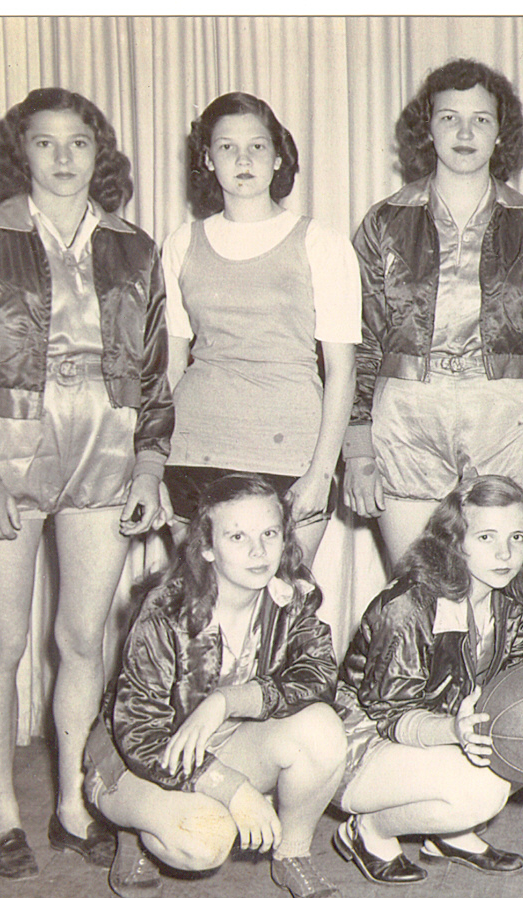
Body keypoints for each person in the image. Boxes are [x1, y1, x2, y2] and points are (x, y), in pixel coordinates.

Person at [0, 87, 172, 880]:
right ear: (20, 153)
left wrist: (149, 462)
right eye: (44, 142)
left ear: (100, 153)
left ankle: (71, 803)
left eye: (78, 142)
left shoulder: (134, 247)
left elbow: (156, 370)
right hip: (9, 452)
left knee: (82, 639)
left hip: (104, 449)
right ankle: (1, 813)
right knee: (2, 639)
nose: (63, 158)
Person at [344, 59, 523, 563]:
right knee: (417, 585)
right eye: (449, 118)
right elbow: (360, 342)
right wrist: (358, 448)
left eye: (481, 119)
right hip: (407, 416)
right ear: (427, 129)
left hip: (503, 417)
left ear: (501, 132)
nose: (465, 133)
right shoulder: (384, 222)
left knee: (498, 584)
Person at [85, 473, 346, 898]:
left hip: (220, 744)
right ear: (206, 547)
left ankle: (293, 853)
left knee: (323, 729)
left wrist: (228, 700)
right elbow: (140, 734)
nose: (258, 551)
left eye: (269, 534)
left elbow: (319, 675)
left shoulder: (290, 597)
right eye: (237, 536)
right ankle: (135, 828)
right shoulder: (167, 611)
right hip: (136, 761)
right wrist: (231, 788)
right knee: (206, 840)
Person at [330, 475, 523, 883]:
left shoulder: (506, 598)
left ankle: (451, 835)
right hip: (360, 743)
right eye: (486, 537)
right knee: (483, 790)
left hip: (439, 733)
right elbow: (390, 712)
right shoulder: (409, 604)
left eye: (517, 537)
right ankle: (368, 831)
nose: (505, 553)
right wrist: (454, 731)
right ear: (454, 541)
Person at [162, 92, 358, 567]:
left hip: (290, 456)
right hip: (193, 452)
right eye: (227, 147)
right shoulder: (181, 242)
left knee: (285, 601)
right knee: (202, 603)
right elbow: (169, 367)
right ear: (207, 159)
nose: (243, 160)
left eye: (257, 146)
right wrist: (152, 464)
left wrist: (321, 472)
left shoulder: (321, 242)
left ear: (277, 157)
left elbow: (342, 371)